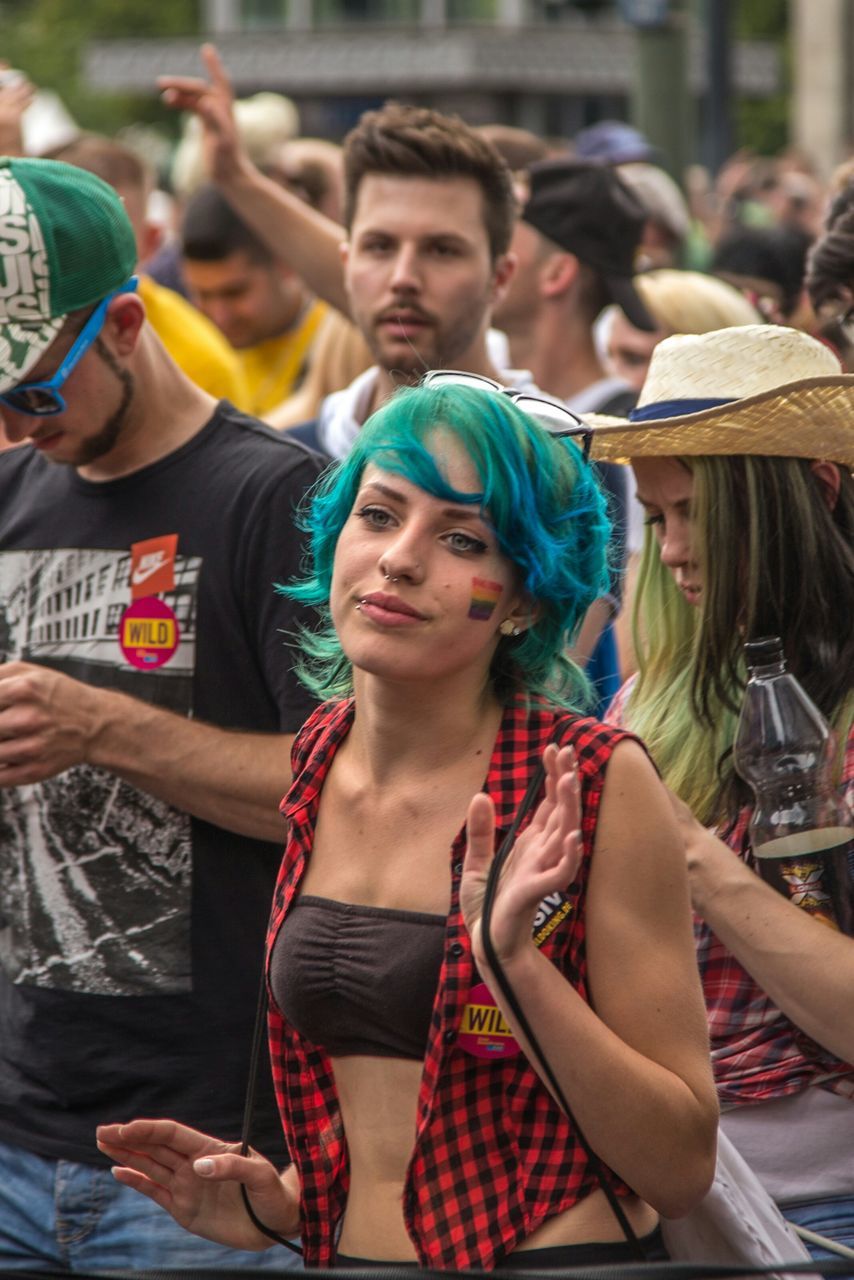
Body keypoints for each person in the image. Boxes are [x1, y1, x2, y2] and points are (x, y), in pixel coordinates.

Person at [96, 379, 718, 1271]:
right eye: (380, 515)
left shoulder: (586, 782)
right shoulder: (320, 753)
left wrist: (516, 968)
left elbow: (681, 1166)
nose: (400, 559)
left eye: (462, 539)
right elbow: (384, 1091)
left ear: (524, 600)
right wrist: (276, 1207)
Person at [0, 156, 322, 1271]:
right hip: (19, 1129)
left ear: (127, 324)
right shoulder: (11, 496)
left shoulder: (274, 495)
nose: (15, 422)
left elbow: (342, 797)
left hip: (202, 1162)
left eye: (33, 391)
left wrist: (104, 727)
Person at [588, 323, 854, 1262]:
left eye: (696, 511)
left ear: (812, 495)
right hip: (656, 1206)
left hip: (822, 1217)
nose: (671, 552)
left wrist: (690, 853)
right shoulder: (643, 703)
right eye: (656, 519)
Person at [49, 132, 252, 411]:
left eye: (103, 243)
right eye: (57, 239)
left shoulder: (200, 361)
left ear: (150, 241)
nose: (78, 262)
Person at [180, 184, 328, 417]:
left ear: (286, 263)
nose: (220, 316)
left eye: (235, 292)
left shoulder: (332, 342)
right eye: (203, 295)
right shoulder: (186, 344)